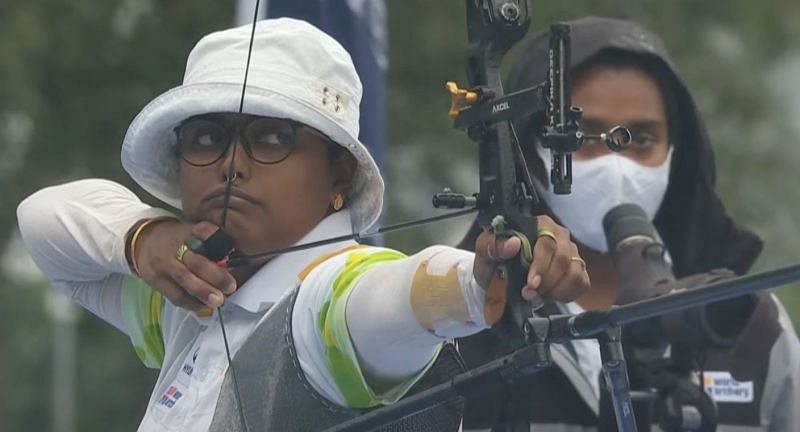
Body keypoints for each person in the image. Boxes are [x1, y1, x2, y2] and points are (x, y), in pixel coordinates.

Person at [16, 18, 589, 432]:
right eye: (207, 138)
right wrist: (144, 237)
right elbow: (42, 219)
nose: (230, 164)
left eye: (271, 138)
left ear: (338, 170)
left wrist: (479, 279)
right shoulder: (186, 299)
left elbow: (396, 297)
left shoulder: (332, 299)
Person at [457, 17, 800, 432]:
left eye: (641, 140)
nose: (616, 166)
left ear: (676, 154)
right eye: (581, 135)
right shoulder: (460, 317)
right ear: (526, 153)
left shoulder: (747, 321)